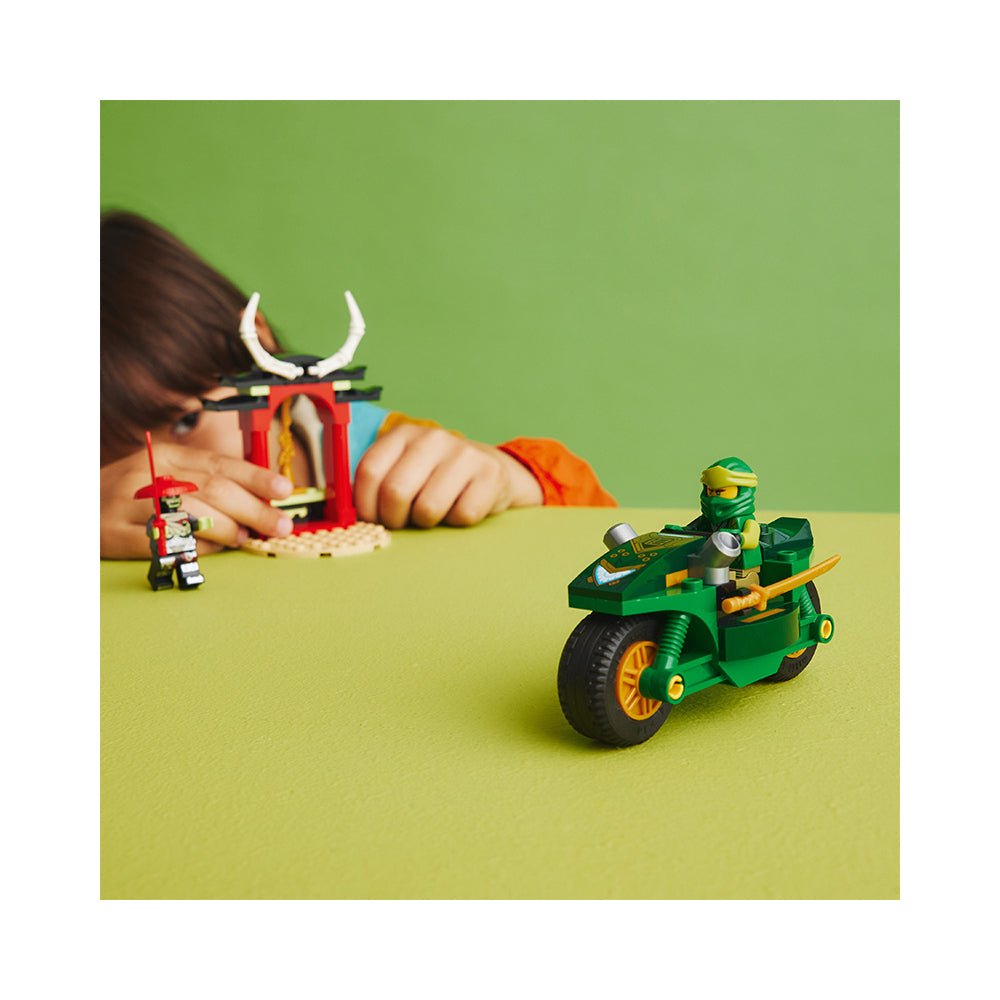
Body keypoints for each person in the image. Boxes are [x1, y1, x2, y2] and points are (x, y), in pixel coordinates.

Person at [100, 212, 616, 559]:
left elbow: (605, 530)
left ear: (253, 342)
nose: (163, 472)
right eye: (115, 460)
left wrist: (510, 478)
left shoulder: (389, 459)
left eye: (186, 422)